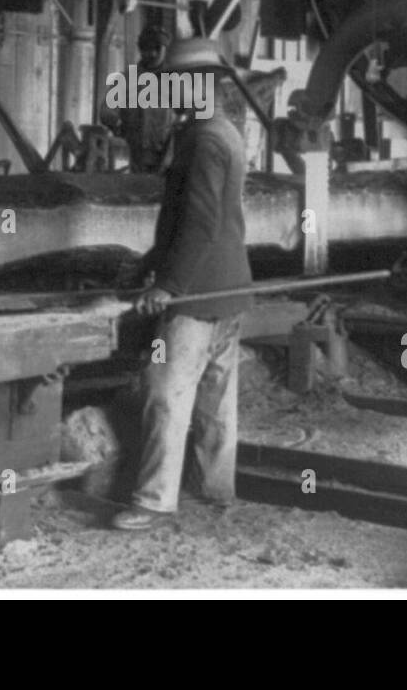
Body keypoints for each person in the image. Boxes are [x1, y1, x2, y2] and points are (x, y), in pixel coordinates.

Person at [113, 38, 253, 531]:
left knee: (164, 391)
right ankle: (215, 489)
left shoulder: (203, 140)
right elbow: (188, 221)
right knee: (217, 395)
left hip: (197, 293)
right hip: (230, 285)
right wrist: (150, 262)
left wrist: (168, 285)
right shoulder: (224, 132)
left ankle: (153, 501)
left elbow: (200, 222)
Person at [100, 25, 174, 172]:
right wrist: (117, 124)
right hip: (134, 157)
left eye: (157, 48)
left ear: (165, 49)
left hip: (170, 159)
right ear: (141, 50)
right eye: (147, 48)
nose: (152, 53)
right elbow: (105, 111)